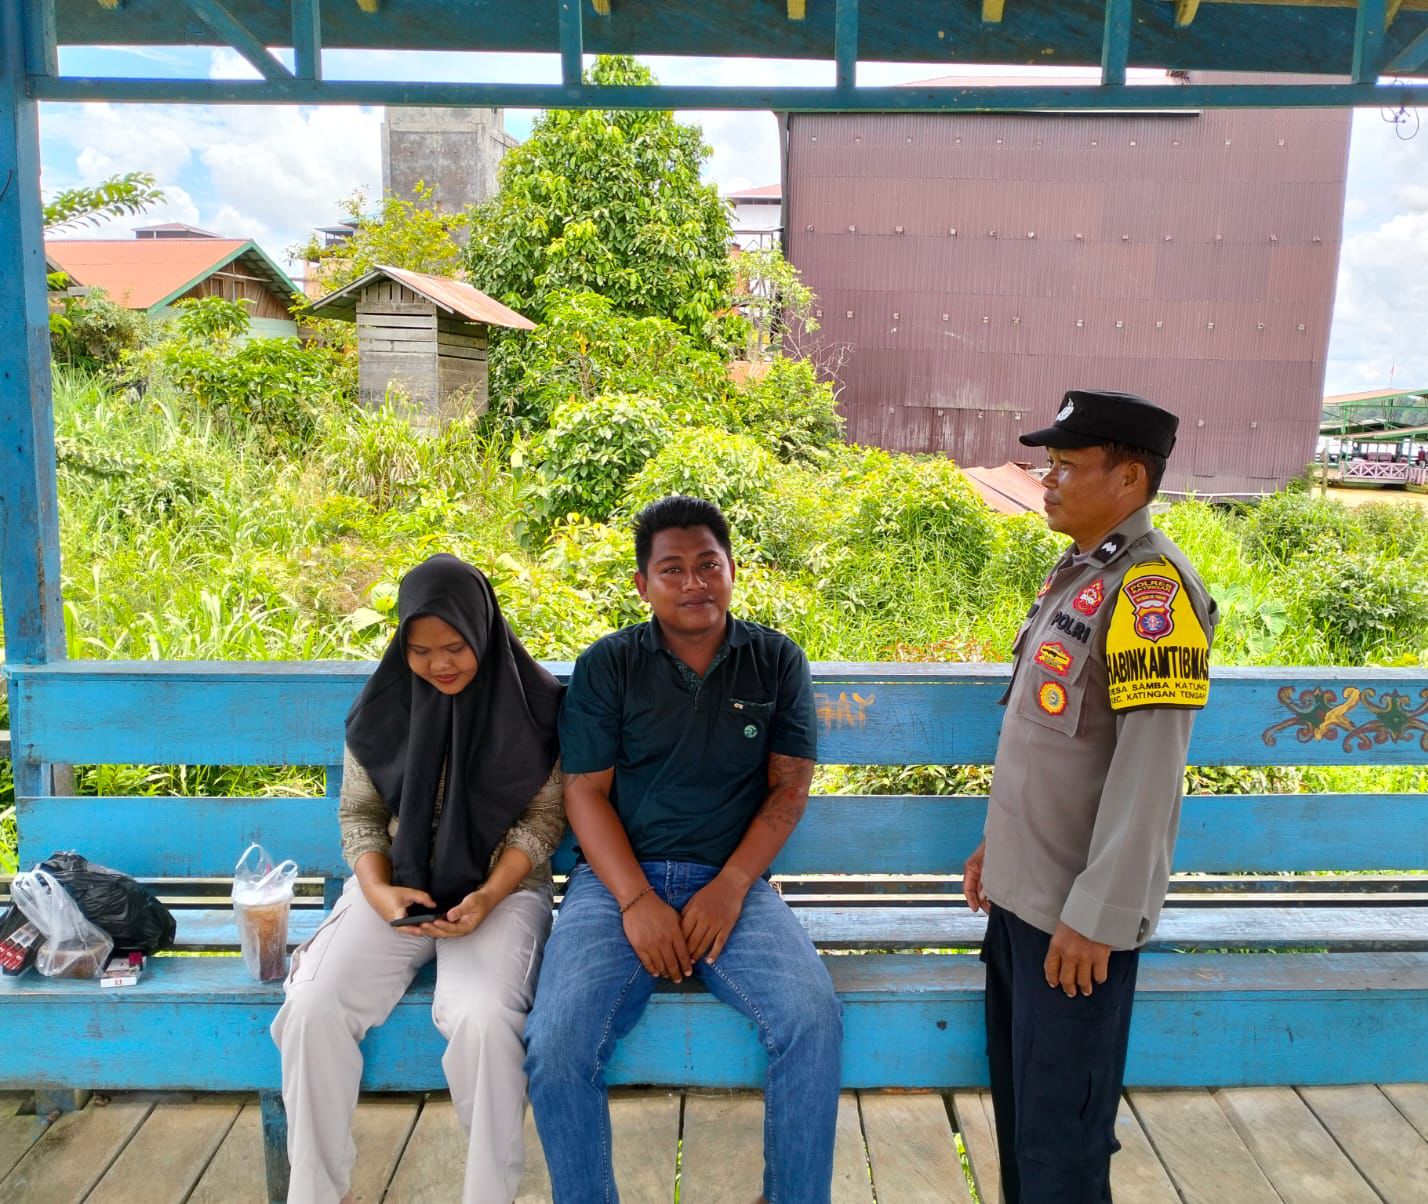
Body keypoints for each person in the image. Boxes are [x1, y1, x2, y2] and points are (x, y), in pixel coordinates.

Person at [525, 495, 842, 1204]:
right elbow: (585, 793)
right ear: (644, 585)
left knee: (812, 1019)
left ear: (732, 570)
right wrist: (636, 899)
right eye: (672, 570)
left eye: (708, 564)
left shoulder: (774, 660)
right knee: (557, 1044)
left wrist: (730, 887)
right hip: (616, 883)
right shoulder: (609, 665)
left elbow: (788, 789)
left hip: (733, 885)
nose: (694, 582)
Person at [962, 391, 1218, 1203]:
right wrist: (998, 849)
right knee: (1023, 1123)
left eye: (1068, 466)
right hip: (1023, 901)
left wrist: (1099, 917)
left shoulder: (1151, 593)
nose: (1048, 480)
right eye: (1051, 465)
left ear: (1129, 478)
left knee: (1061, 1152)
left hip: (1074, 927)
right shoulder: (1082, 574)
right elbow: (1050, 744)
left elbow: (1150, 771)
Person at [271, 554, 565, 1204]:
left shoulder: (535, 709)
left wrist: (488, 894)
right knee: (312, 1007)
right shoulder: (383, 709)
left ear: (483, 631)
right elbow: (360, 816)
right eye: (421, 650)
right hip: (398, 887)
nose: (440, 665)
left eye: (455, 647)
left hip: (502, 891)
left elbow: (543, 822)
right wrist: (379, 892)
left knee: (484, 1020)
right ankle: (316, 1195)